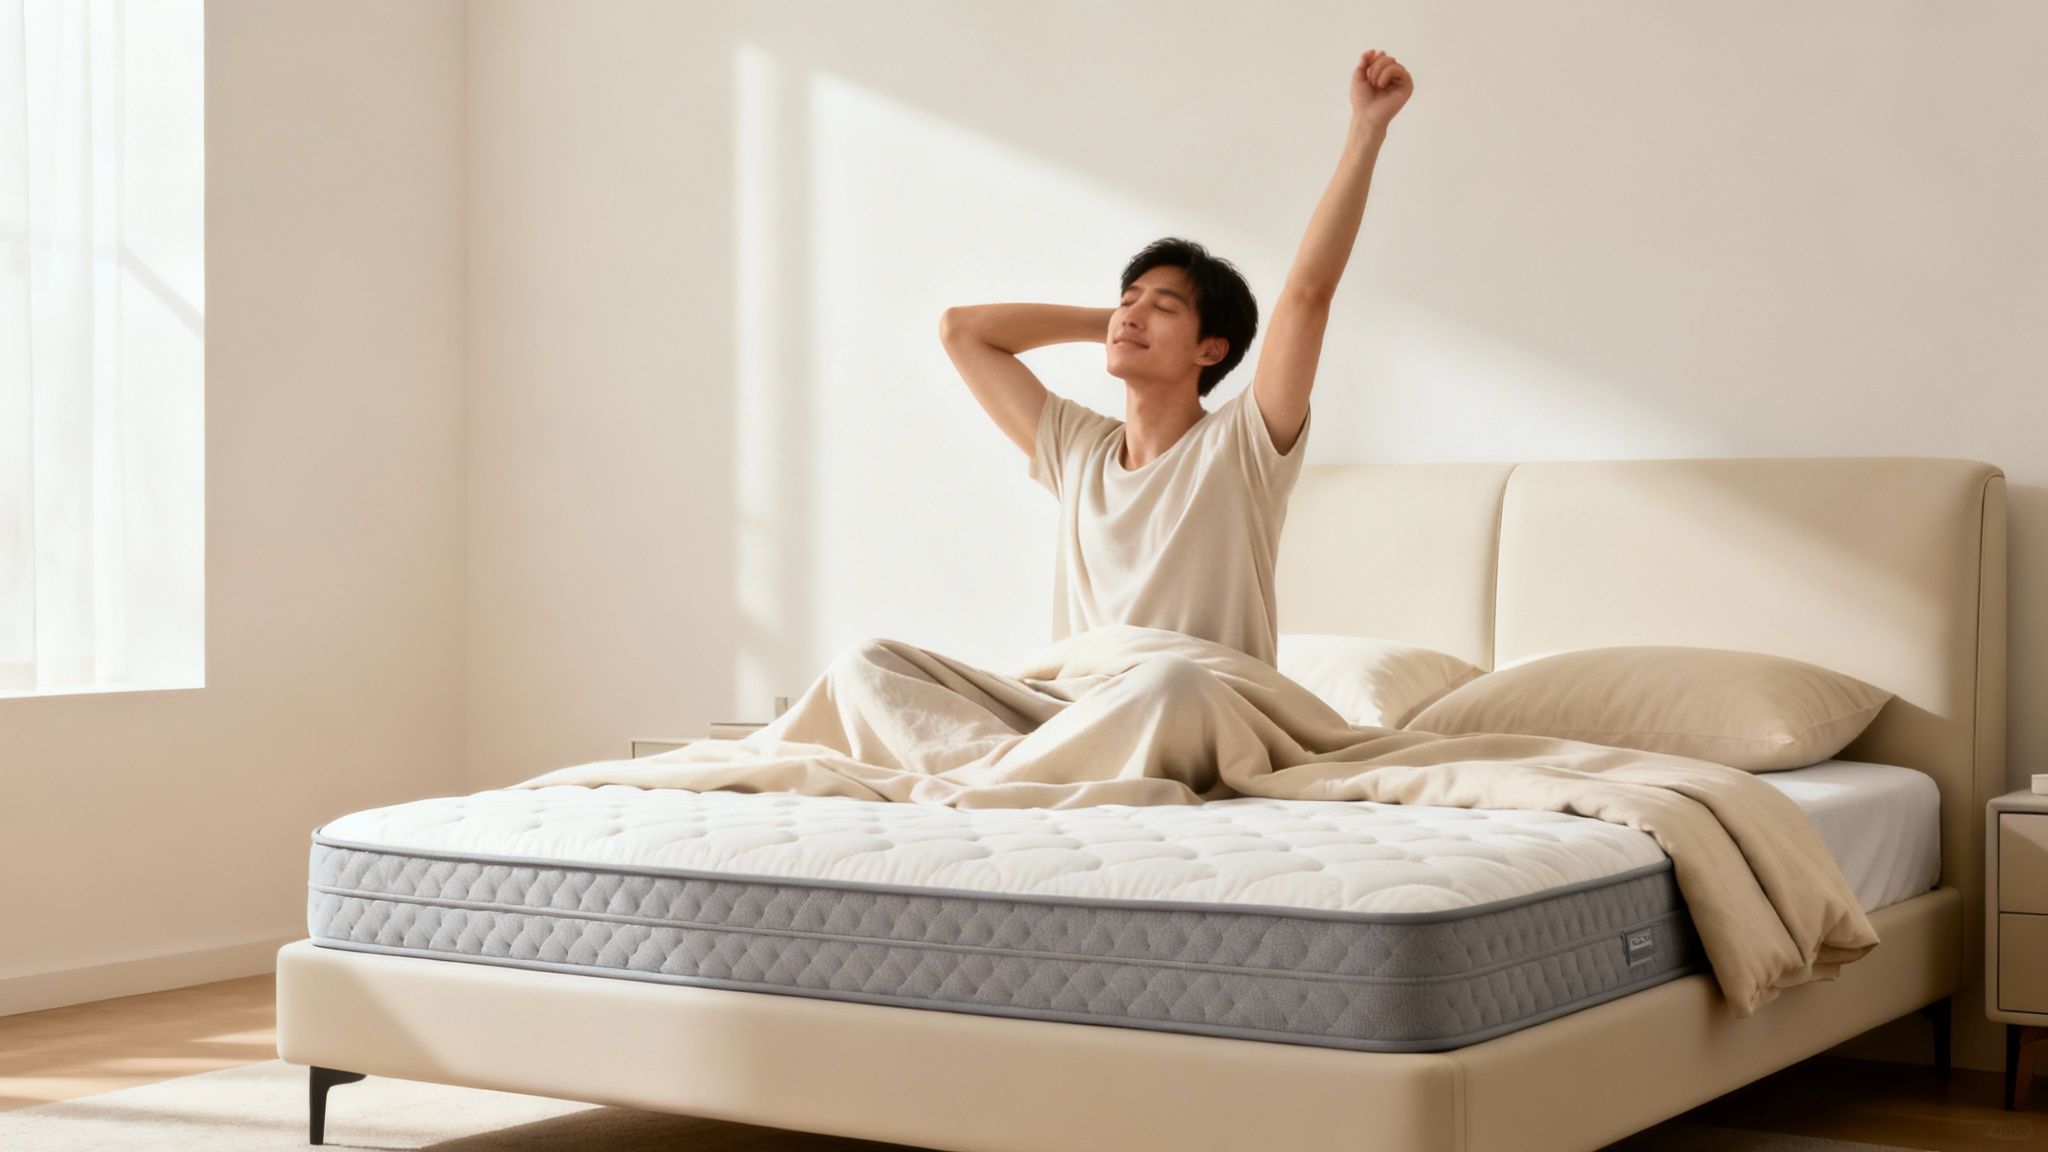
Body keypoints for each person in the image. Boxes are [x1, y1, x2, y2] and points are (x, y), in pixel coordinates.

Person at [939, 49, 1413, 667]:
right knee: (873, 665)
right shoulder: (1078, 451)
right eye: (1127, 301)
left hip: (1202, 706)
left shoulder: (1242, 447)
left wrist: (1366, 129)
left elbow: (1307, 296)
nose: (1133, 313)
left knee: (1168, 679)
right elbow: (962, 332)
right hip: (1085, 713)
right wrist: (1115, 324)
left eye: (1163, 308)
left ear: (1210, 348)